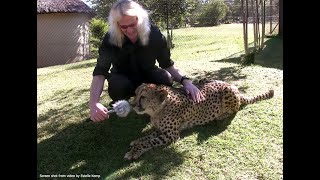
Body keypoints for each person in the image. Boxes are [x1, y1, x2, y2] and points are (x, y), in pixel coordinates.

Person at [89, 0, 205, 122]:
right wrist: (93, 103)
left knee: (165, 78)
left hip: (148, 77)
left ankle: (153, 103)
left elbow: (167, 65)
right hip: (122, 79)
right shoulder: (110, 39)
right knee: (117, 85)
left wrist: (186, 82)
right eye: (123, 27)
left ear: (140, 19)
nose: (129, 30)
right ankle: (122, 102)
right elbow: (100, 73)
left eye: (133, 24)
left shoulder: (154, 35)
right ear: (116, 25)